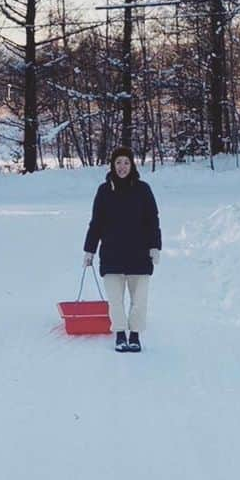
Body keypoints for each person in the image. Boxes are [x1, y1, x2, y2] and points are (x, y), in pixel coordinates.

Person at [83, 146, 161, 352]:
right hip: (112, 254)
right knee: (115, 301)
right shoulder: (104, 190)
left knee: (139, 301)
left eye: (126, 162)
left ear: (132, 165)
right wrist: (89, 250)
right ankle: (120, 334)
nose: (122, 167)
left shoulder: (143, 189)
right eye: (118, 162)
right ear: (112, 165)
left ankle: (134, 335)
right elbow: (96, 223)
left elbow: (152, 220)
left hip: (139, 254)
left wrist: (155, 246)